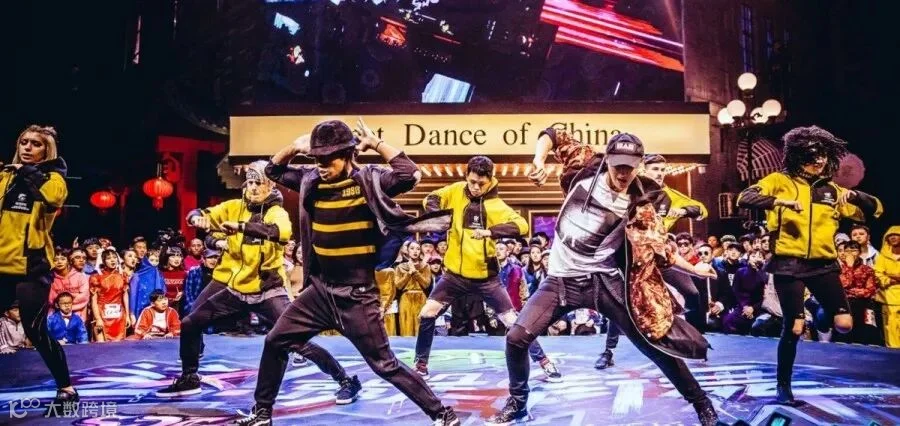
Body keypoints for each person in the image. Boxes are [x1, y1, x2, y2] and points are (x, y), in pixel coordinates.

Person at [487, 128, 718, 425]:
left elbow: (660, 249)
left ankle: (701, 403)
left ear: (639, 165)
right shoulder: (586, 166)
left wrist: (695, 269)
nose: (623, 173)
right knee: (517, 338)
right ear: (607, 159)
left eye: (630, 167)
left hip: (604, 281)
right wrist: (539, 160)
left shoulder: (641, 204)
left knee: (651, 343)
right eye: (618, 165)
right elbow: (554, 134)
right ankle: (518, 403)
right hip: (560, 281)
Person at [246, 119, 459, 426]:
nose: (321, 166)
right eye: (316, 159)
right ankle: (262, 414)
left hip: (357, 295)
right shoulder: (310, 179)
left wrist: (376, 144)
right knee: (275, 341)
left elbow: (410, 174)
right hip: (319, 292)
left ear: (347, 155)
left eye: (327, 159)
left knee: (385, 364)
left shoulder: (368, 179)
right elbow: (273, 171)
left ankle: (442, 414)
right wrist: (294, 147)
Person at [156, 160, 356, 407]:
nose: (252, 187)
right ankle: (190, 377)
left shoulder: (276, 212)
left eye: (258, 182)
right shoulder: (234, 206)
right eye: (249, 182)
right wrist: (197, 219)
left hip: (267, 291)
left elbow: (280, 232)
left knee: (297, 341)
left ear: (269, 185)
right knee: (190, 323)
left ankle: (345, 380)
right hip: (235, 287)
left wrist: (241, 227)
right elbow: (200, 215)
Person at [737, 125, 883, 405]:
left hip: (823, 264)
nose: (819, 161)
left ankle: (817, 309)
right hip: (788, 264)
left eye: (823, 156)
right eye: (813, 156)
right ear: (798, 155)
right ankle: (783, 387)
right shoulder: (779, 180)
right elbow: (745, 197)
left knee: (843, 325)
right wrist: (779, 202)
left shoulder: (830, 189)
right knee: (794, 328)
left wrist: (855, 196)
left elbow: (876, 209)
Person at [413, 155, 561, 383]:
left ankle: (544, 362)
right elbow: (430, 198)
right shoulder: (455, 190)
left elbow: (522, 225)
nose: (475, 187)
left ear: (490, 180)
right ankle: (421, 365)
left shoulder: (495, 205)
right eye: (472, 181)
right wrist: (438, 214)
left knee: (513, 322)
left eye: (481, 184)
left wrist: (491, 232)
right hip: (453, 276)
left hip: (486, 278)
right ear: (466, 176)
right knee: (427, 313)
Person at [0, 125, 78, 409]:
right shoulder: (6, 176)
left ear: (47, 150)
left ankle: (66, 388)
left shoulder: (53, 178)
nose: (27, 147)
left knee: (36, 331)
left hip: (31, 267)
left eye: (35, 144)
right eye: (23, 142)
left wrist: (27, 171)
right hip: (0, 262)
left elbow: (54, 197)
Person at [832, 241, 881, 345]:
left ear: (859, 252)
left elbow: (869, 290)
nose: (850, 254)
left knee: (865, 312)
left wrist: (853, 292)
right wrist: (850, 267)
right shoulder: (837, 269)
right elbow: (844, 285)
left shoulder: (867, 270)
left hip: (863, 302)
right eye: (847, 251)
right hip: (845, 302)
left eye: (853, 250)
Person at [722, 249, 768, 335]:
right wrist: (745, 306)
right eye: (753, 256)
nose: (756, 259)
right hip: (743, 306)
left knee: (758, 326)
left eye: (759, 257)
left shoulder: (766, 274)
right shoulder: (740, 272)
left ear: (763, 260)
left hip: (760, 307)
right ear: (748, 258)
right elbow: (736, 291)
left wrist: (753, 308)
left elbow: (766, 296)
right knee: (728, 320)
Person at [90, 249, 131, 342]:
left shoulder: (123, 276)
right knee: (101, 346)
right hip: (101, 314)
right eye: (108, 258)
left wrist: (127, 316)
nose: (112, 260)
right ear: (103, 261)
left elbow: (125, 296)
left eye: (114, 257)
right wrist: (98, 318)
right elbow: (94, 300)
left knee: (120, 346)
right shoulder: (96, 277)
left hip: (119, 316)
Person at [875, 226, 900, 348]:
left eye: (896, 235)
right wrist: (891, 279)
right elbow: (877, 274)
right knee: (890, 330)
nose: (893, 237)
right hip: (888, 299)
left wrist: (890, 274)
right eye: (890, 236)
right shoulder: (883, 257)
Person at [49, 248, 90, 323]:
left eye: (62, 259)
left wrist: (64, 303)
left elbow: (84, 297)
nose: (59, 262)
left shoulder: (80, 276)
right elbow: (51, 300)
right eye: (55, 260)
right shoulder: (51, 279)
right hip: (58, 315)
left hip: (79, 315)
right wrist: (73, 296)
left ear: (68, 261)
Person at [182, 249, 220, 315]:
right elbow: (188, 293)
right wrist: (193, 309)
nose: (213, 260)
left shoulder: (220, 274)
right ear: (203, 259)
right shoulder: (194, 271)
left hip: (214, 309)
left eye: (216, 257)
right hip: (195, 307)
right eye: (210, 257)